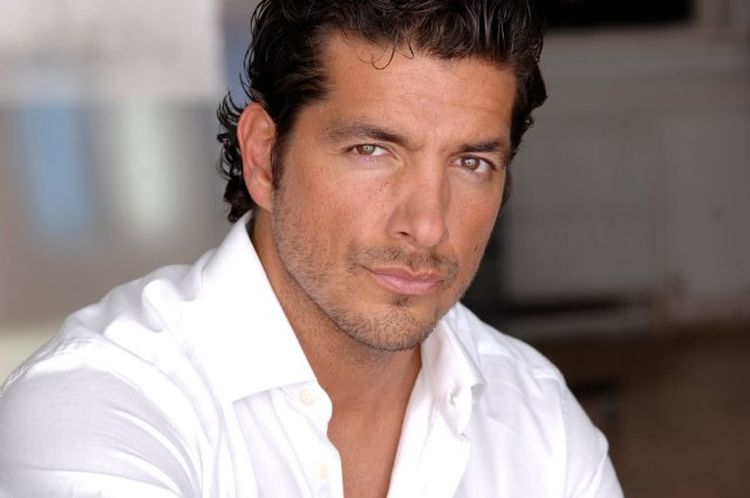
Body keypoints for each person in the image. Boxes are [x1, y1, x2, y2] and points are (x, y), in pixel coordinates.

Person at [0, 0, 623, 496]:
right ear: (263, 157)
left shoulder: (537, 414)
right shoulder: (100, 408)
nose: (428, 225)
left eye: (471, 162)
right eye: (372, 150)